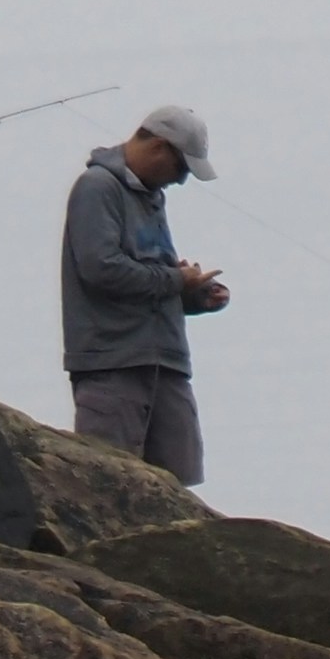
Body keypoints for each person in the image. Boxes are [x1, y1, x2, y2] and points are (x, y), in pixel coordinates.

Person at [65, 104, 230, 479]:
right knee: (109, 482)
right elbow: (101, 269)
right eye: (181, 168)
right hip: (112, 366)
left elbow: (150, 277)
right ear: (158, 147)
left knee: (177, 483)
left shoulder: (152, 196)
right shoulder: (98, 187)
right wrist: (176, 281)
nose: (181, 180)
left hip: (166, 365)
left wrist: (194, 297)